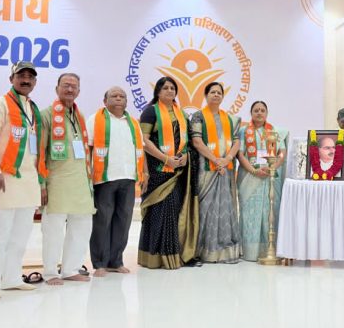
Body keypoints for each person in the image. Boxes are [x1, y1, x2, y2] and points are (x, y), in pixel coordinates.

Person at [0, 61, 47, 299]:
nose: (26, 80)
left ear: (35, 82)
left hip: (29, 179)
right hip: (5, 177)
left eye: (30, 77)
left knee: (20, 235)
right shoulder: (0, 103)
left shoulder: (33, 108)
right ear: (11, 79)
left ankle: (11, 278)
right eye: (21, 76)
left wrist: (40, 181)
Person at [137, 77, 199, 269]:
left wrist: (186, 156)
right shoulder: (150, 112)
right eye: (165, 88)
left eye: (173, 88)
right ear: (158, 91)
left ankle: (172, 254)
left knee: (173, 212)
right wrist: (165, 159)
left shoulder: (182, 114)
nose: (170, 91)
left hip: (178, 171)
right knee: (160, 212)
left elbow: (188, 142)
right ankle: (156, 257)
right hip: (158, 171)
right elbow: (144, 141)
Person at [40, 73, 95, 284]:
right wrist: (41, 184)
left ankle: (71, 269)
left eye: (74, 86)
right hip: (57, 180)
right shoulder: (46, 115)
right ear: (57, 89)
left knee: (81, 226)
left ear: (79, 91)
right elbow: (40, 152)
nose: (70, 89)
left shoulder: (80, 117)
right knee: (53, 229)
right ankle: (50, 272)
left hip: (80, 181)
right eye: (66, 85)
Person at [87, 87, 147, 276]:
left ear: (127, 102)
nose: (119, 99)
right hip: (104, 178)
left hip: (128, 178)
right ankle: (99, 263)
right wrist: (87, 174)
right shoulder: (95, 120)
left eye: (122, 96)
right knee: (102, 221)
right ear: (105, 101)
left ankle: (116, 261)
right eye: (114, 96)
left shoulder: (133, 123)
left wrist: (145, 173)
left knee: (124, 220)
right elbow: (88, 147)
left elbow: (141, 148)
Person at [190, 82, 242, 263]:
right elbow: (197, 142)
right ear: (206, 95)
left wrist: (227, 159)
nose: (216, 95)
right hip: (207, 169)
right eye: (212, 92)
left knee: (225, 207)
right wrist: (216, 160)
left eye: (219, 92)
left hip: (225, 170)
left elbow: (236, 142)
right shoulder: (198, 117)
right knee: (206, 208)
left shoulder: (231, 119)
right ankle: (205, 250)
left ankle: (224, 250)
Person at [237, 101, 287, 261]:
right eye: (256, 110)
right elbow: (240, 154)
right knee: (249, 213)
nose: (259, 113)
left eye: (262, 110)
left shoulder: (274, 131)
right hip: (249, 176)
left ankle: (269, 251)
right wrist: (253, 170)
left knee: (269, 212)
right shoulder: (243, 131)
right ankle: (250, 252)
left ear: (267, 113)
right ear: (251, 113)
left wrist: (272, 168)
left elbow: (282, 153)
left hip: (269, 177)